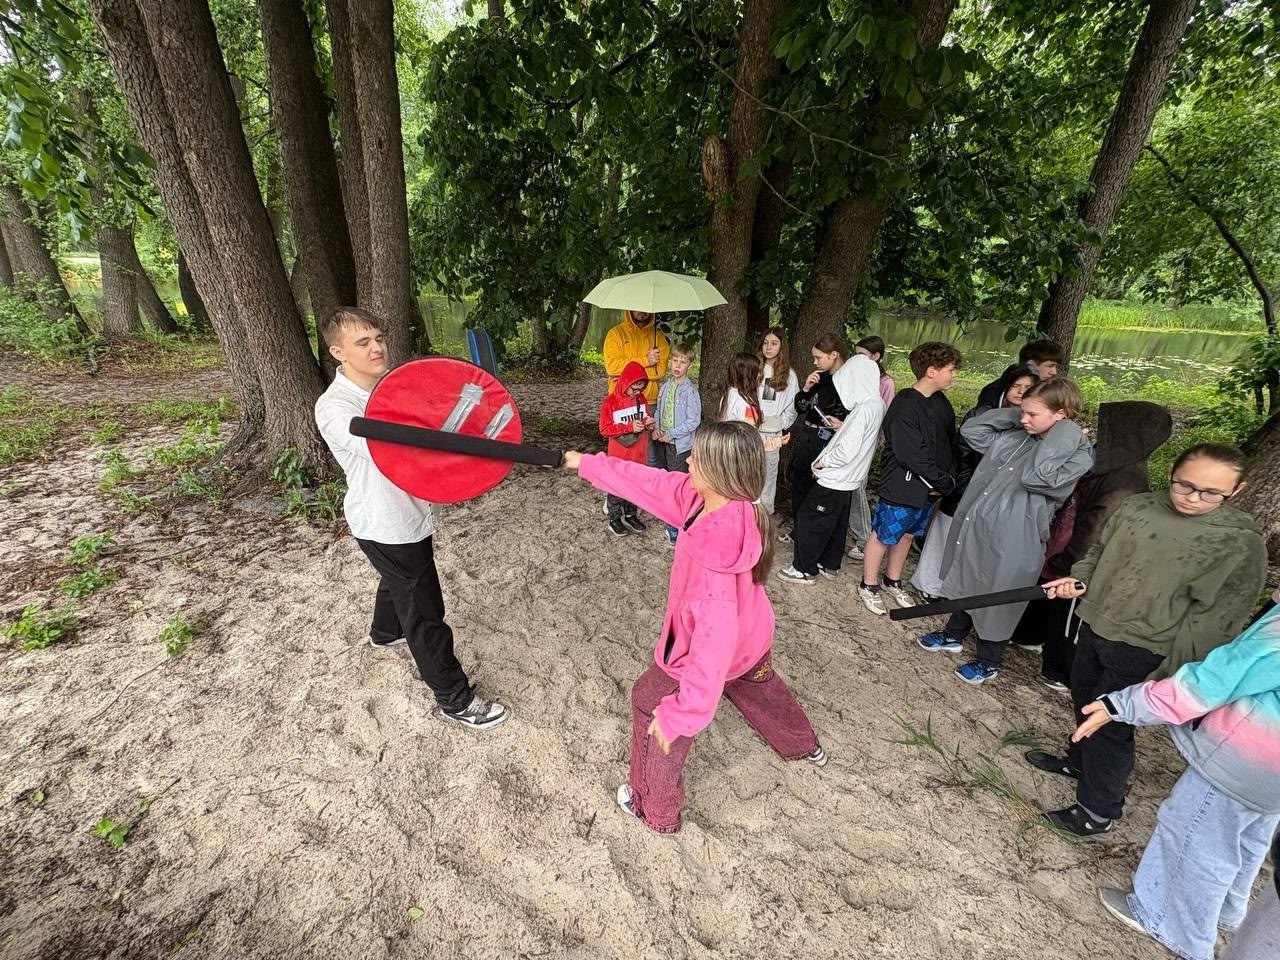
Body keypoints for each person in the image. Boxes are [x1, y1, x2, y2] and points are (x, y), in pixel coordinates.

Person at [562, 421, 828, 834]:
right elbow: (648, 482)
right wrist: (588, 464)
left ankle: (655, 810)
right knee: (760, 686)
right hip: (752, 640)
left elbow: (710, 652)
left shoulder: (711, 566)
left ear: (719, 474)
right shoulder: (723, 502)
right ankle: (804, 746)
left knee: (650, 703)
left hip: (706, 649)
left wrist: (681, 714)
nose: (687, 461)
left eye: (697, 459)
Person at [1025, 443, 1268, 838]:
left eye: (1211, 493)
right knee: (1084, 698)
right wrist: (1080, 579)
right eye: (1185, 485)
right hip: (1097, 624)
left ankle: (1097, 809)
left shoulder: (1238, 543)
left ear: (1236, 491)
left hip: (1147, 647)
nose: (1193, 498)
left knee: (1110, 723)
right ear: (1171, 472)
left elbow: (1216, 620)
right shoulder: (1137, 507)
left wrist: (1172, 675)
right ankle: (1080, 762)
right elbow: (1099, 553)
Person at [313, 307, 507, 729]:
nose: (377, 348)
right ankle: (455, 698)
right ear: (338, 352)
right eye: (363, 343)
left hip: (409, 514)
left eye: (379, 338)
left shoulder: (390, 387)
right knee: (423, 609)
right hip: (386, 523)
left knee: (400, 580)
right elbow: (390, 448)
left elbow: (432, 420)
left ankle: (385, 633)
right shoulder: (335, 408)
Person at [1073, 607, 1279, 960]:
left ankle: (1169, 922)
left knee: (1196, 835)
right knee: (1248, 836)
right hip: (1271, 779)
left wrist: (1123, 703)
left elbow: (1214, 679)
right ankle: (1227, 909)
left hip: (1246, 760)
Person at [917, 378, 1093, 685]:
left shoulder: (1076, 455)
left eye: (1032, 414)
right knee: (968, 579)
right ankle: (953, 634)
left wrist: (1062, 435)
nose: (1025, 419)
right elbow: (973, 430)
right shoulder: (1017, 436)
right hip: (979, 524)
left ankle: (989, 660)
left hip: (1017, 537)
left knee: (1001, 595)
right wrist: (1018, 414)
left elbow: (1037, 477)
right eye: (1023, 411)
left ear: (1061, 415)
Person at [1008, 401, 1173, 690]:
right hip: (1065, 538)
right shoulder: (1108, 464)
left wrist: (1070, 561)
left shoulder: (1127, 478)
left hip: (1078, 555)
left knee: (1066, 608)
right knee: (1047, 592)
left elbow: (1098, 528)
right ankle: (1028, 635)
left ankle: (1058, 671)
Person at [910, 363, 1039, 600]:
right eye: (1016, 386)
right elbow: (962, 453)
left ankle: (954, 589)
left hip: (997, 495)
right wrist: (958, 487)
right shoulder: (983, 415)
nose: (1021, 392)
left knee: (972, 544)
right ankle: (927, 584)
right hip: (966, 486)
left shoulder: (1033, 425)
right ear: (1005, 387)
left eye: (1028, 388)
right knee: (945, 535)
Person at [858, 342, 962, 616]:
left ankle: (892, 579)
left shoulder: (941, 402)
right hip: (902, 486)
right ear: (931, 371)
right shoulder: (905, 405)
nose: (954, 375)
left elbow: (949, 442)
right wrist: (940, 480)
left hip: (931, 490)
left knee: (907, 534)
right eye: (950, 370)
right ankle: (868, 584)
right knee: (884, 534)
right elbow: (911, 453)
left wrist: (947, 478)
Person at [777, 355, 885, 584]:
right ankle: (829, 562)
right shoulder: (875, 404)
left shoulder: (863, 410)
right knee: (836, 522)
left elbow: (846, 450)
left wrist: (822, 463)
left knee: (810, 518)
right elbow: (860, 435)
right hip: (850, 478)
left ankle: (804, 569)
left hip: (836, 477)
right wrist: (843, 426)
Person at [779, 335, 849, 544]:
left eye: (819, 357)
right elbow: (801, 408)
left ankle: (815, 532)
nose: (815, 362)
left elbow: (854, 415)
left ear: (834, 355)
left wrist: (841, 423)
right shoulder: (820, 377)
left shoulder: (847, 381)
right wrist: (806, 389)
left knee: (819, 486)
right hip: (808, 434)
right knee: (800, 482)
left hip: (828, 439)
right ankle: (799, 528)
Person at [846, 335, 895, 560]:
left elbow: (885, 416)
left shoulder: (885, 383)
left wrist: (878, 441)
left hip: (867, 441)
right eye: (855, 354)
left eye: (862, 355)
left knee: (857, 487)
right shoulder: (855, 376)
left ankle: (864, 536)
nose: (857, 359)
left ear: (876, 357)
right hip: (849, 435)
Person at [651, 343, 702, 545]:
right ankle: (669, 516)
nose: (677, 365)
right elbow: (659, 410)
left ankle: (675, 525)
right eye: (675, 360)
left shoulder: (690, 391)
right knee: (666, 480)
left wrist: (671, 434)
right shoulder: (665, 386)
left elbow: (693, 421)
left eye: (683, 362)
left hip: (679, 446)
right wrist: (656, 427)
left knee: (678, 485)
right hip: (663, 442)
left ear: (690, 365)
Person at [598, 360, 654, 536]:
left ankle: (631, 515)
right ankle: (614, 519)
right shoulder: (611, 402)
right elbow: (604, 429)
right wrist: (629, 427)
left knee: (634, 487)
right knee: (616, 487)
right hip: (619, 455)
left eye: (640, 389)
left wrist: (648, 422)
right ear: (625, 382)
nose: (637, 392)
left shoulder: (641, 399)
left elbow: (645, 416)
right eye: (634, 389)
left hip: (638, 453)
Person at [758, 327, 799, 516]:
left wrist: (779, 423)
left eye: (774, 343)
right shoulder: (755, 369)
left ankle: (764, 514)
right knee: (749, 471)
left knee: (768, 474)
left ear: (781, 347)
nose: (768, 347)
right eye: (766, 343)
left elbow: (792, 407)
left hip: (772, 432)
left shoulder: (788, 375)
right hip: (752, 428)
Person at [975, 338, 1064, 410]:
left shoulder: (1047, 389)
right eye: (1050, 366)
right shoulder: (993, 392)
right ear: (1031, 364)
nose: (1054, 372)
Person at [603, 310, 669, 406]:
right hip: (620, 401)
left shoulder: (658, 337)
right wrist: (646, 361)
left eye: (646, 307)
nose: (642, 311)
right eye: (638, 308)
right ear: (630, 309)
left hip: (649, 401)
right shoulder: (615, 334)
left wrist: (625, 377)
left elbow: (659, 371)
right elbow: (612, 367)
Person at [717, 351, 764, 426]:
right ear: (748, 374)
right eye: (757, 371)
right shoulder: (742, 401)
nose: (759, 375)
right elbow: (747, 430)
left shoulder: (731, 392)